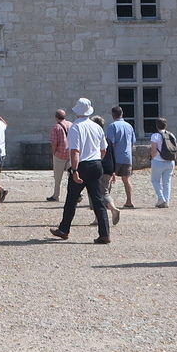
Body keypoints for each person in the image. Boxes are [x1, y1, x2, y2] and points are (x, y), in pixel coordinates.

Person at [50, 98, 111, 244]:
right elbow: (104, 149)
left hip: (82, 165)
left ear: (77, 112)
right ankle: (105, 233)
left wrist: (75, 169)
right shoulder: (97, 127)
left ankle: (64, 229)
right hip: (96, 163)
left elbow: (75, 151)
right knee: (98, 200)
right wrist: (97, 161)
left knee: (72, 199)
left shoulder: (76, 127)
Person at [105, 106, 137, 210]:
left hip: (115, 157)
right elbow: (132, 142)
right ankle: (129, 201)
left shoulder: (112, 126)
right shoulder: (129, 126)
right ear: (122, 114)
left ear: (113, 115)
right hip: (127, 156)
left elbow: (111, 143)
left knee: (108, 178)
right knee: (126, 179)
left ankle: (106, 202)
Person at [94, 115, 120, 229]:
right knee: (102, 192)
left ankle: (113, 209)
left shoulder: (96, 138)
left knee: (101, 193)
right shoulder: (108, 138)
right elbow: (113, 155)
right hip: (109, 168)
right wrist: (113, 171)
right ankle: (97, 217)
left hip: (101, 168)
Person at [149, 117, 177, 208]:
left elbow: (154, 150)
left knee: (155, 180)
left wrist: (152, 158)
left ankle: (161, 198)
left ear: (157, 126)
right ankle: (167, 201)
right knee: (167, 182)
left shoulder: (155, 136)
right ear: (166, 125)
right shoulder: (171, 135)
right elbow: (176, 147)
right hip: (170, 161)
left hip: (158, 160)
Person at [47, 109, 72, 202]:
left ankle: (56, 195)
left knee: (58, 176)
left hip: (60, 154)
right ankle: (77, 194)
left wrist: (54, 152)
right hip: (70, 153)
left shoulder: (56, 127)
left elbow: (54, 142)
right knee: (72, 175)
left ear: (56, 117)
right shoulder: (71, 124)